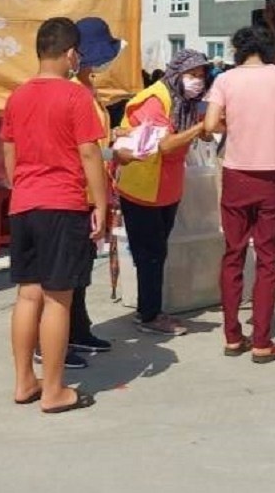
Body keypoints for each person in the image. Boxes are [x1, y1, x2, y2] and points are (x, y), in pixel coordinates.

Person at [2, 18, 108, 414]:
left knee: (27, 295)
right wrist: (100, 202)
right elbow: (88, 152)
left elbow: (9, 152)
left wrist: (23, 187)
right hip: (62, 203)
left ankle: (23, 381)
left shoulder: (17, 96)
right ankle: (54, 389)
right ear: (70, 53)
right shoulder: (76, 96)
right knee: (58, 299)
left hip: (24, 203)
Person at [204, 26, 275, 364]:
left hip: (236, 174)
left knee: (232, 253)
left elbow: (209, 124)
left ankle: (233, 336)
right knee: (266, 256)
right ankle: (263, 340)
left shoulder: (225, 80)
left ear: (237, 50)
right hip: (272, 176)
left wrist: (232, 126)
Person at [114, 49, 211, 336]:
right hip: (143, 185)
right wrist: (199, 129)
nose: (198, 81)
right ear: (177, 73)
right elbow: (164, 145)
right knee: (150, 253)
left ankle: (151, 309)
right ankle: (149, 314)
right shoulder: (157, 100)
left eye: (202, 76)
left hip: (166, 186)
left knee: (157, 251)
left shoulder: (184, 102)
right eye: (192, 75)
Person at [63, 16, 123, 364]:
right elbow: (82, 147)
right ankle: (58, 339)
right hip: (76, 189)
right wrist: (115, 152)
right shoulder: (74, 93)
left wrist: (114, 143)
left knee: (82, 267)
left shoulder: (90, 88)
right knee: (66, 272)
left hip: (92, 186)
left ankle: (79, 328)